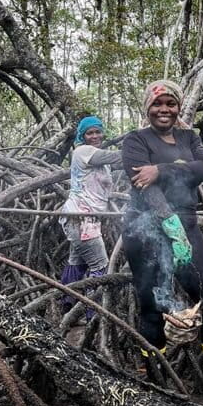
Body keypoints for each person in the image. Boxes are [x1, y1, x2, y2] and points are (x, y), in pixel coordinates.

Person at [122, 80, 203, 406]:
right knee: (152, 310)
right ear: (147, 108)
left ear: (179, 107)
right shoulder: (135, 140)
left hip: (187, 228)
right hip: (146, 231)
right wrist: (169, 222)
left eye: (170, 104)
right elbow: (144, 187)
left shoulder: (190, 137)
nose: (163, 109)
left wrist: (162, 169)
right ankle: (157, 391)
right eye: (157, 104)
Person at [59, 116, 121, 319]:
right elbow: (117, 157)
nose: (94, 136)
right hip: (81, 219)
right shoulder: (83, 151)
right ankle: (93, 317)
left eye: (97, 132)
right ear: (82, 136)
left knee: (76, 262)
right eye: (89, 133)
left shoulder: (102, 163)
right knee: (100, 266)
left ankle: (67, 308)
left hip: (86, 219)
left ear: (102, 133)